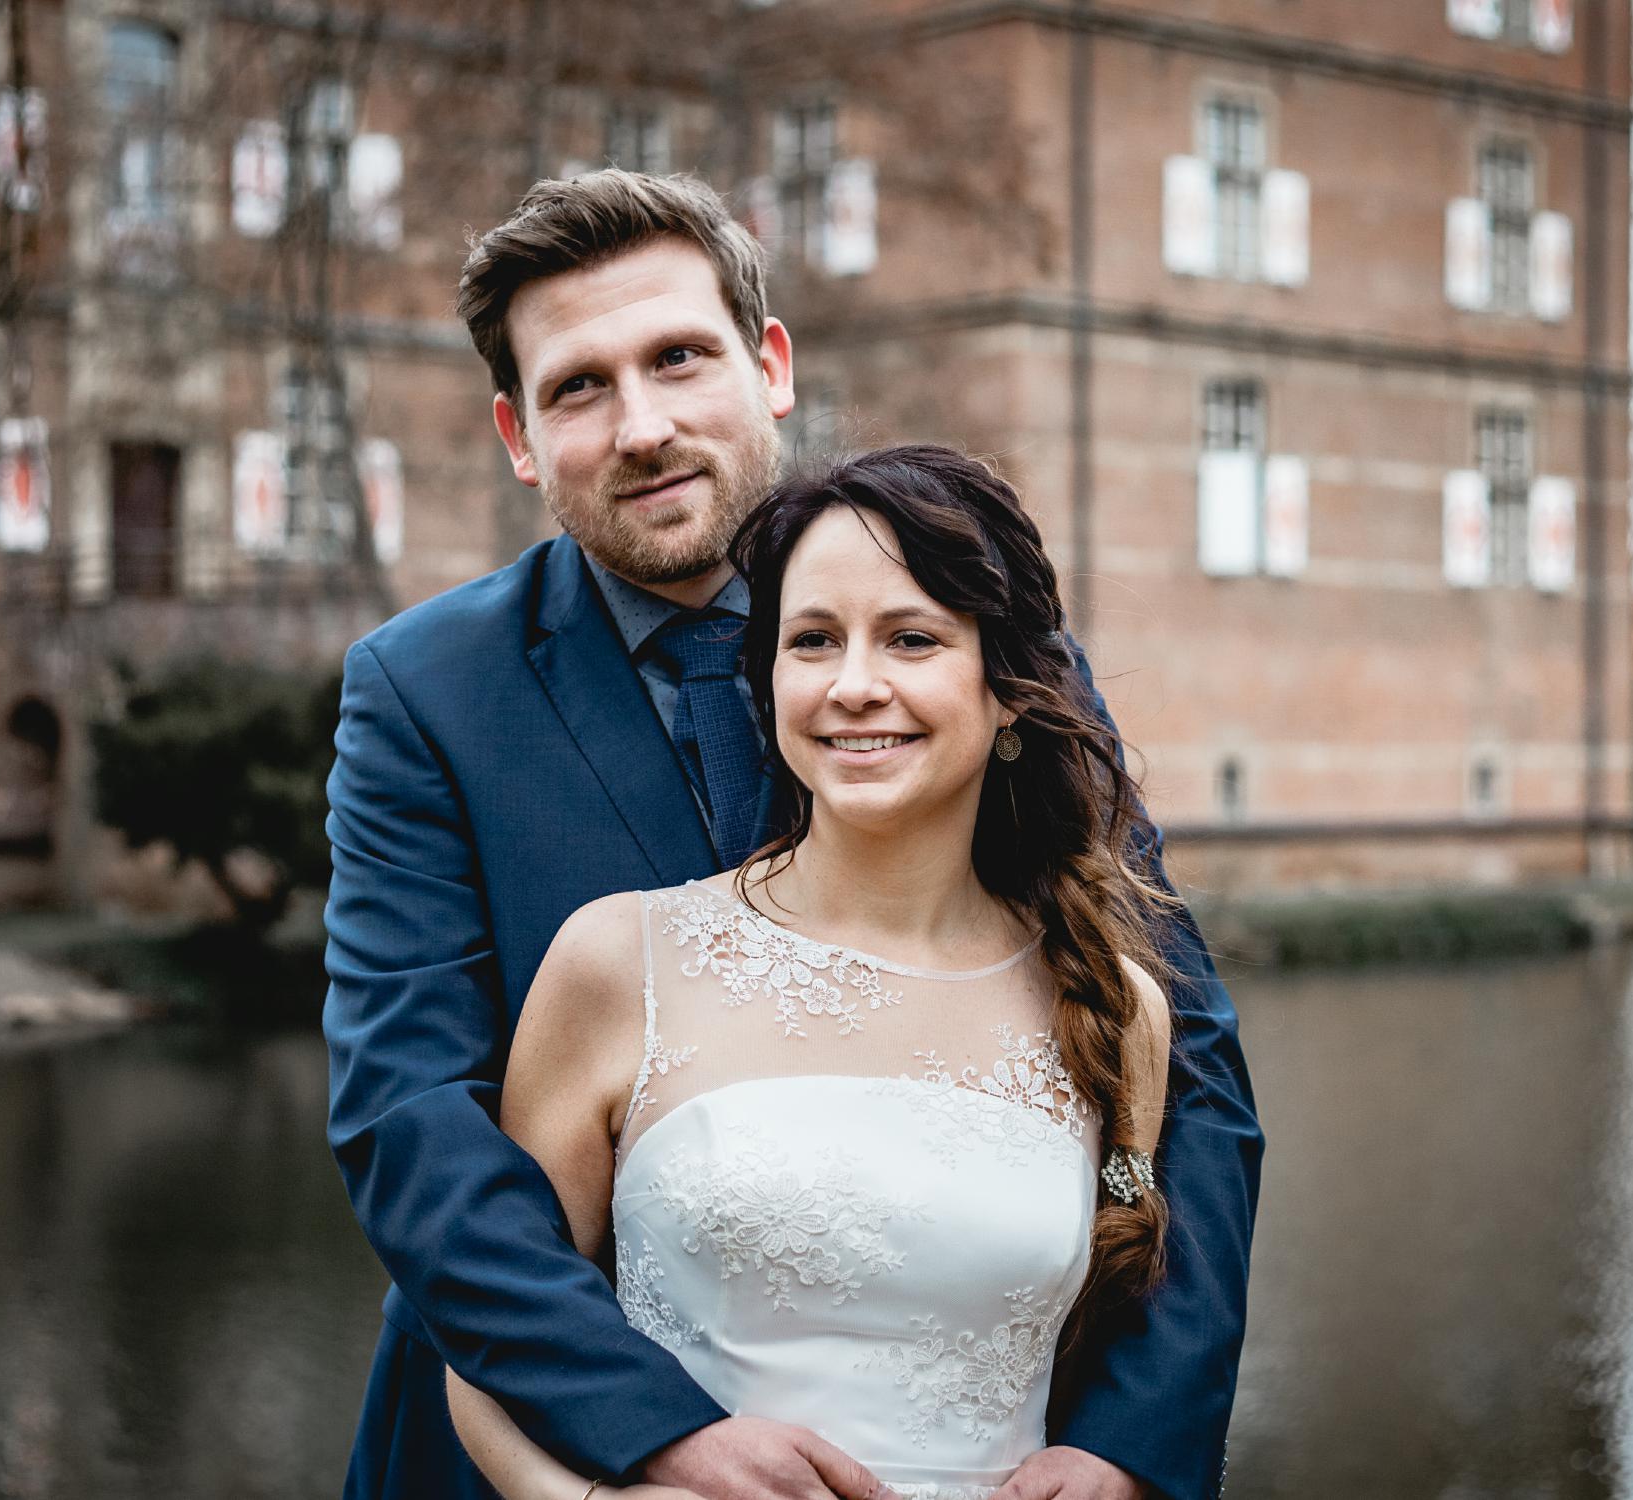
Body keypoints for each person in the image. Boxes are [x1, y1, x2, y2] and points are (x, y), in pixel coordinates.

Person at [323, 169, 1262, 1500]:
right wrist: (649, 1432)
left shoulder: (985, 646)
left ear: (767, 365)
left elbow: (1191, 1077)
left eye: (678, 358)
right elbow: (408, 1119)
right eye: (579, 387)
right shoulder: (425, 691)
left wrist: (1125, 1445)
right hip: (528, 1442)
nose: (640, 425)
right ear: (518, 435)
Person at [440, 445, 1178, 1500]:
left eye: (911, 639)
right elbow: (491, 1349)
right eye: (813, 641)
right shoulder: (616, 963)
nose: (854, 686)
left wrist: (1117, 1468)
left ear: (1008, 689)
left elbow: (1128, 1332)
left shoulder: (1115, 1009)